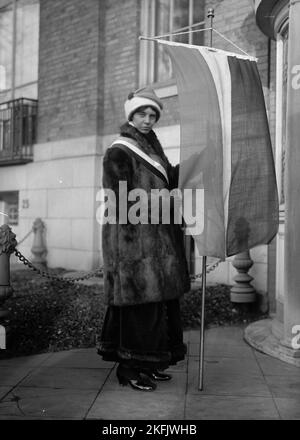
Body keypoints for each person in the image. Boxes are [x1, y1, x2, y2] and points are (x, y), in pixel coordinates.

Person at [97, 86, 190, 391]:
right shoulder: (119, 151)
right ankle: (130, 369)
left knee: (158, 308)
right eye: (142, 113)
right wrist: (167, 203)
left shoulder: (152, 147)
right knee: (140, 311)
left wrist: (191, 166)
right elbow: (120, 203)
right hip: (132, 246)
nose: (148, 119)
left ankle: (150, 364)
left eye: (153, 114)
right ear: (131, 115)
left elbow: (165, 183)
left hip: (158, 244)